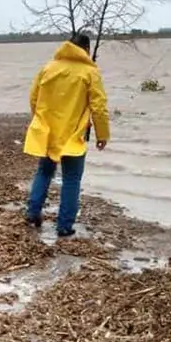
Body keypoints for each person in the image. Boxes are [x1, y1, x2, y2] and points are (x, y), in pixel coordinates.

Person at [22, 33, 110, 237]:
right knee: (71, 179)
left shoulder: (49, 68)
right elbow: (99, 106)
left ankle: (33, 212)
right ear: (87, 50)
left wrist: (40, 121)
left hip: (48, 131)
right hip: (73, 134)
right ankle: (64, 225)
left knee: (44, 172)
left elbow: (33, 97)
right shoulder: (90, 72)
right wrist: (102, 134)